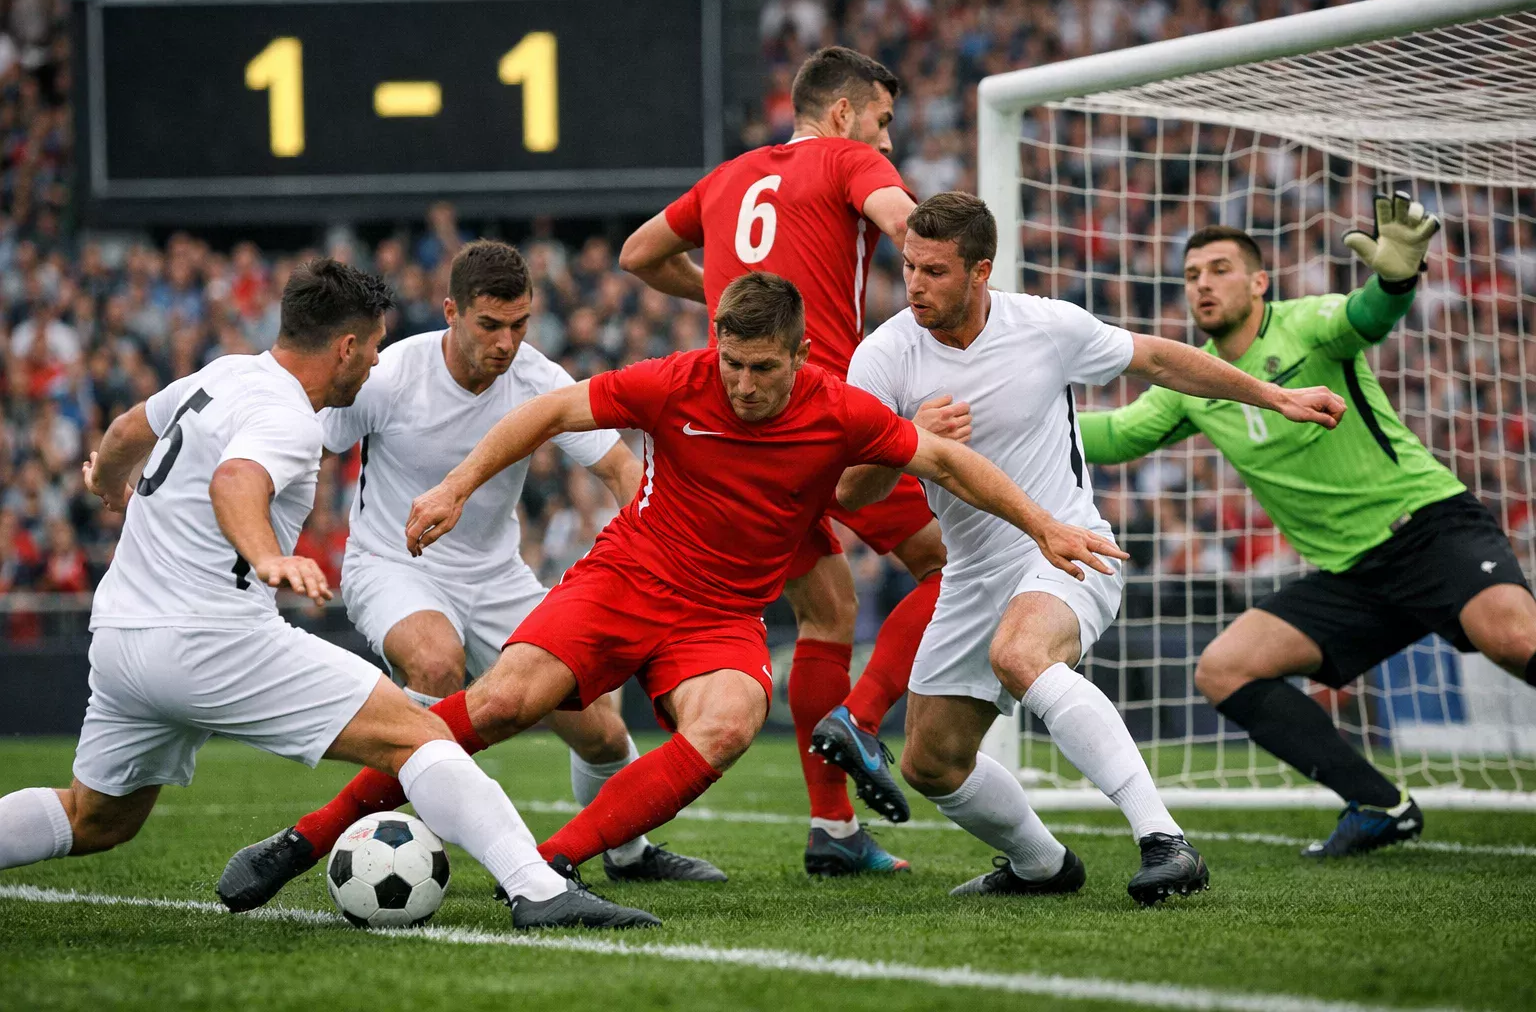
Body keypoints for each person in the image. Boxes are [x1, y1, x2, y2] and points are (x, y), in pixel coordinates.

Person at [214, 271, 1127, 910]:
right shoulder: (678, 381)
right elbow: (552, 412)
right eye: (732, 363)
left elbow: (944, 461)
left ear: (801, 356)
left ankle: (553, 866)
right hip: (626, 578)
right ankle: (303, 839)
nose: (743, 385)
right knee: (495, 702)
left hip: (722, 615)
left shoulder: (839, 408)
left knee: (729, 721)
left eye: (763, 369)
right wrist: (454, 487)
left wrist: (1044, 526)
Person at [0, 258, 656, 930]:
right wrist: (267, 556)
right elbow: (235, 481)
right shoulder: (288, 417)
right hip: (213, 638)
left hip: (120, 640)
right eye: (372, 347)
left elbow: (124, 432)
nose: (376, 363)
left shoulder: (220, 374)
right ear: (346, 346)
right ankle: (538, 890)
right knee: (420, 734)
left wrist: (109, 479)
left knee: (96, 817)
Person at [840, 193, 1346, 903]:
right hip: (971, 574)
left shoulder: (1046, 326)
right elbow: (850, 493)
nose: (914, 285)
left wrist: (1273, 395)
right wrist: (905, 442)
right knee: (931, 762)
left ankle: (1165, 840)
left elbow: (1162, 361)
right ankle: (1042, 866)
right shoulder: (884, 355)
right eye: (908, 267)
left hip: (1066, 550)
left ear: (981, 272)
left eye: (934, 271)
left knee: (1019, 656)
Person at [215, 243, 723, 915]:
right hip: (393, 564)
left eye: (520, 324)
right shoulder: (392, 373)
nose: (507, 342)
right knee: (434, 662)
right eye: (490, 325)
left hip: (499, 578)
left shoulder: (541, 379)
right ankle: (411, 836)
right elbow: (298, 432)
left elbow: (623, 472)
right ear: (452, 312)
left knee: (600, 730)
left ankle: (631, 855)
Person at [1078, 198, 1536, 857]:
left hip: (1430, 530)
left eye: (1219, 269)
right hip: (1353, 576)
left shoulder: (1307, 324)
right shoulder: (1193, 382)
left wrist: (1397, 280)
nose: (1202, 283)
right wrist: (1019, 416)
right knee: (1224, 670)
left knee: (1515, 640)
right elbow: (1118, 434)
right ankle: (1378, 805)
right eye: (1191, 274)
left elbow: (1366, 315)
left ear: (1259, 281)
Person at [621, 45, 942, 874]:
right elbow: (907, 224)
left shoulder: (727, 178)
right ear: (843, 114)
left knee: (829, 613)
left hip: (742, 438)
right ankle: (864, 720)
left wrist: (726, 294)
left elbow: (637, 255)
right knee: (950, 567)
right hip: (824, 419)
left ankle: (832, 833)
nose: (887, 140)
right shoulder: (848, 158)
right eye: (882, 121)